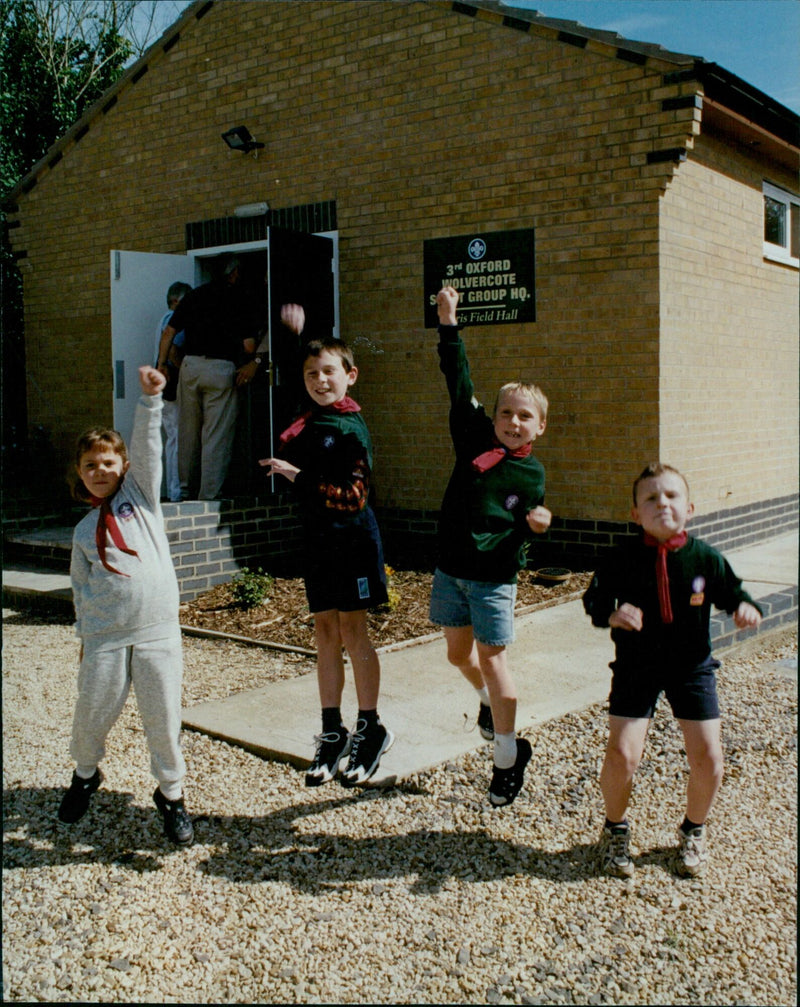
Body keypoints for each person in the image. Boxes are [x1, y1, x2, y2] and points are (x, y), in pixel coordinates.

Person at [583, 462, 763, 878]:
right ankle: (614, 829)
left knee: (709, 759)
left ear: (690, 507)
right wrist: (611, 614)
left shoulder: (705, 558)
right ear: (635, 513)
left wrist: (742, 606)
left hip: (691, 667)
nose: (662, 503)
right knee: (621, 756)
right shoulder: (620, 557)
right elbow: (594, 600)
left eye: (671, 496)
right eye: (650, 498)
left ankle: (693, 829)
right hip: (636, 666)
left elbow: (731, 591)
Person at [259, 305, 394, 788]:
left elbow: (353, 496)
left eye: (330, 372)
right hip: (317, 541)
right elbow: (304, 372)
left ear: (351, 377)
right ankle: (332, 730)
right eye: (311, 374)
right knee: (323, 632)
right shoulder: (314, 417)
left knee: (353, 633)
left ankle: (371, 728)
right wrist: (294, 337)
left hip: (352, 542)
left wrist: (299, 477)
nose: (319, 380)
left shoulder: (349, 428)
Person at [58, 365, 193, 846]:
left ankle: (172, 795)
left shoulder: (141, 500)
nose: (100, 472)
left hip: (157, 633)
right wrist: (84, 640)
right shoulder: (80, 534)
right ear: (80, 472)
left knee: (163, 717)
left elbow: (149, 446)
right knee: (92, 712)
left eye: (109, 463)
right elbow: (80, 591)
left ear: (125, 468)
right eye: (90, 465)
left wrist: (150, 401)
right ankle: (86, 773)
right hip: (105, 639)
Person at [431, 285, 551, 808]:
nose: (513, 422)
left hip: (493, 579)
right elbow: (458, 379)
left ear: (539, 427)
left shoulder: (531, 473)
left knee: (494, 658)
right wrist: (449, 323)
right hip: (450, 570)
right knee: (458, 654)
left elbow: (521, 525)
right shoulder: (473, 438)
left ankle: (506, 757)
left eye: (525, 417)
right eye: (507, 413)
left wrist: (535, 524)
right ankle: (485, 703)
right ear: (494, 416)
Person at [157, 255, 260, 500]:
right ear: (233, 273)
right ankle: (209, 495)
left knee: (188, 432)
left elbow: (169, 331)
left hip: (190, 367)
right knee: (216, 434)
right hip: (221, 368)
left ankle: (185, 490)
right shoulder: (239, 299)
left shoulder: (193, 296)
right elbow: (248, 346)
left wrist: (162, 364)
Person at [154, 280, 192, 502]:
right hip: (172, 382)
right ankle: (176, 490)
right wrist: (185, 371)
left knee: (172, 437)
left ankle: (173, 489)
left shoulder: (161, 319)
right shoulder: (172, 321)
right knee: (176, 438)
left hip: (164, 383)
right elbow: (172, 351)